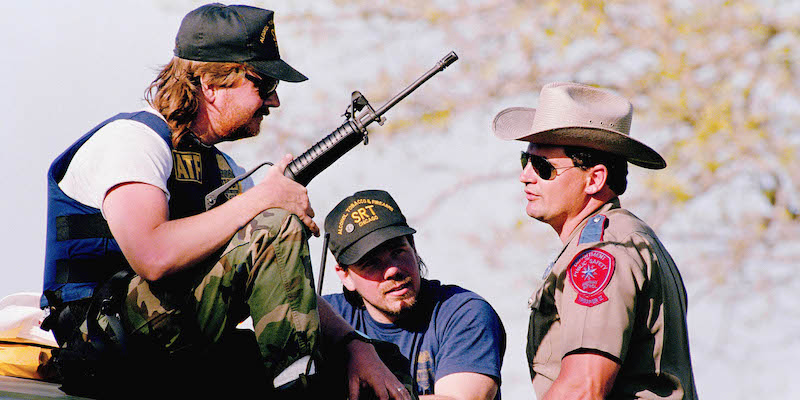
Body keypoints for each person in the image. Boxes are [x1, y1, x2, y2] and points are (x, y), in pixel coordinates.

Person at [41, 3, 411, 399]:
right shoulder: (133, 141)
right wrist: (265, 201)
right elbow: (152, 255)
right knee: (275, 224)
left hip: (173, 340)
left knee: (378, 365)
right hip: (101, 340)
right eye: (264, 86)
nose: (274, 102)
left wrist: (356, 345)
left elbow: (279, 273)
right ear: (211, 85)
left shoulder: (220, 168)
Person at [492, 82, 699, 399]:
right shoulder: (623, 237)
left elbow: (583, 387)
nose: (526, 175)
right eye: (526, 160)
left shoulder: (602, 250)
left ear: (595, 178)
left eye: (543, 166)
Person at [321, 189, 506, 400]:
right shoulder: (325, 320)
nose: (392, 270)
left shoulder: (463, 312)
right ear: (345, 276)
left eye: (398, 252)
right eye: (371, 263)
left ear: (413, 247)